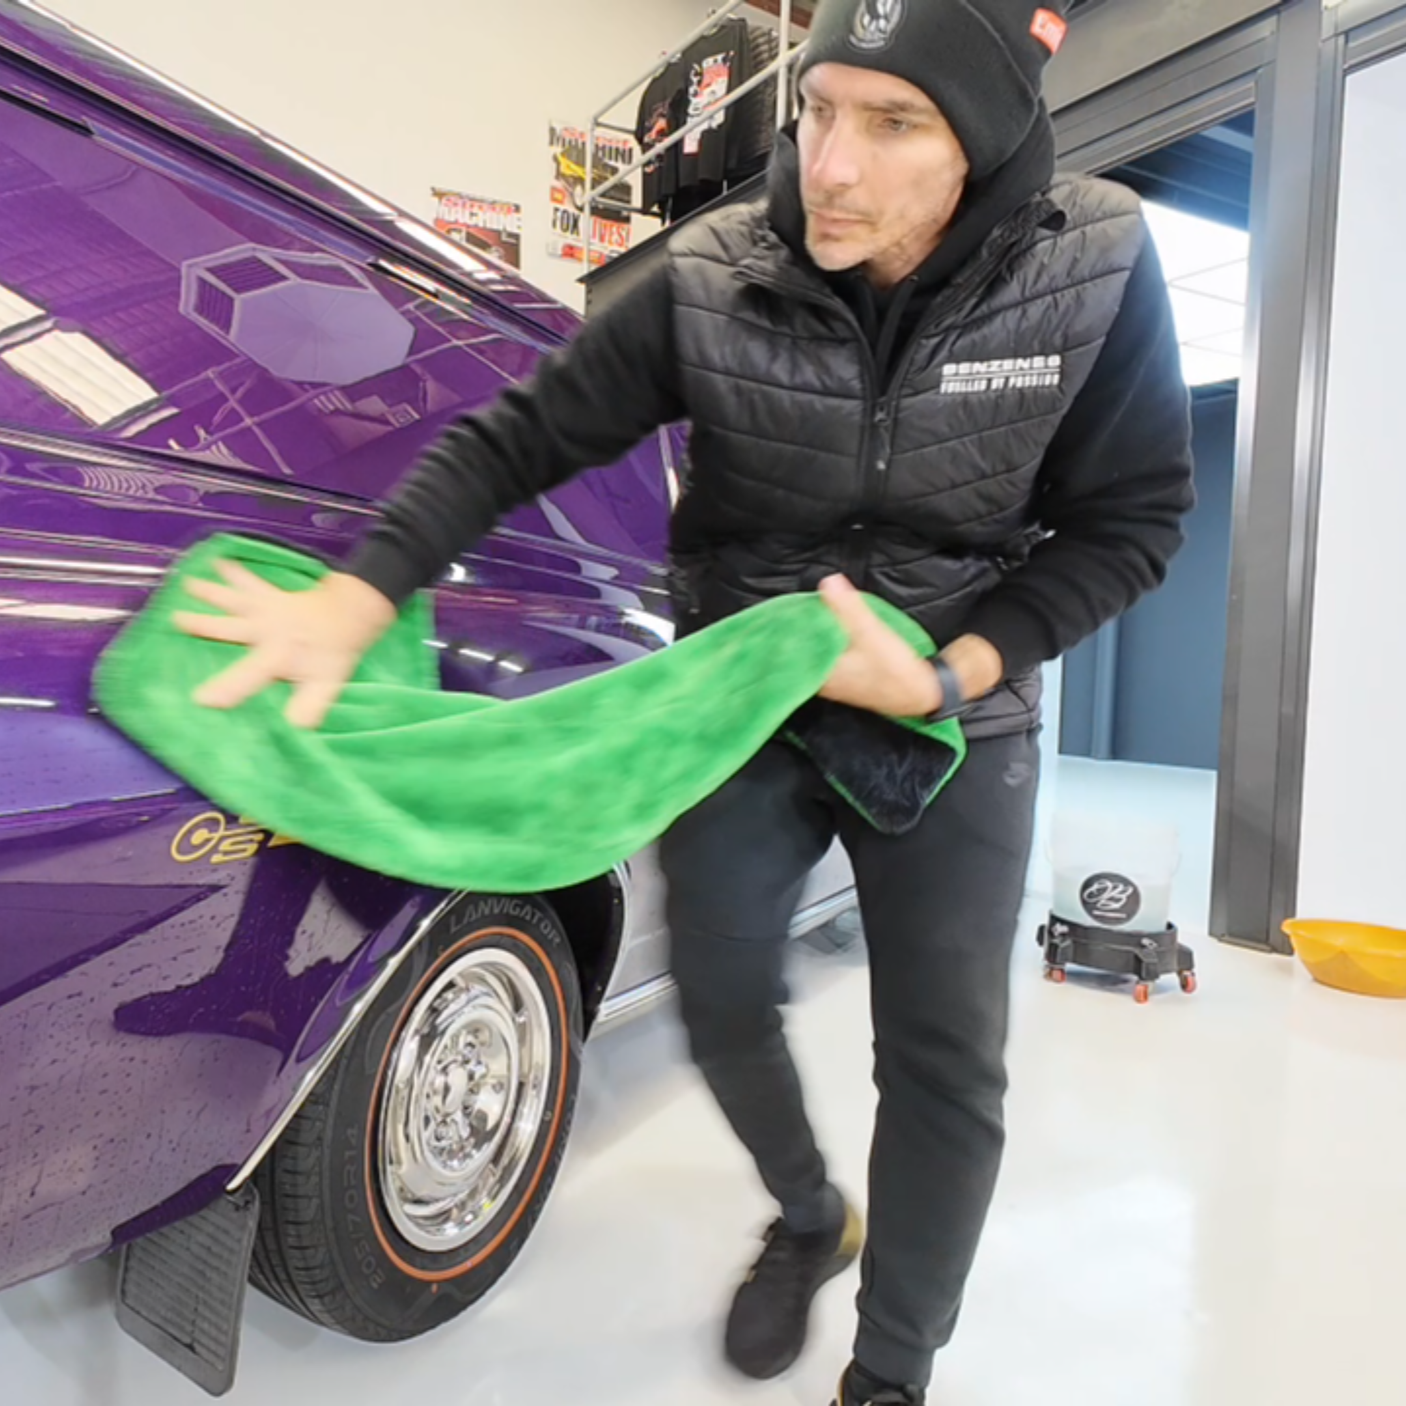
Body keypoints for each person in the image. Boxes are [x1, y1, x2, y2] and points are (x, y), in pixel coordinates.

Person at [175, 1, 1194, 1401]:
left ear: (985, 141)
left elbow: (1130, 522)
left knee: (946, 1058)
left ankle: (890, 1370)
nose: (830, 164)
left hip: (950, 699)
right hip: (741, 691)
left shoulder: (1091, 262)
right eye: (819, 109)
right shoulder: (716, 269)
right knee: (716, 993)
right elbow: (519, 433)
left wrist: (954, 668)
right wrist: (358, 596)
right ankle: (803, 1215)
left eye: (892, 124)